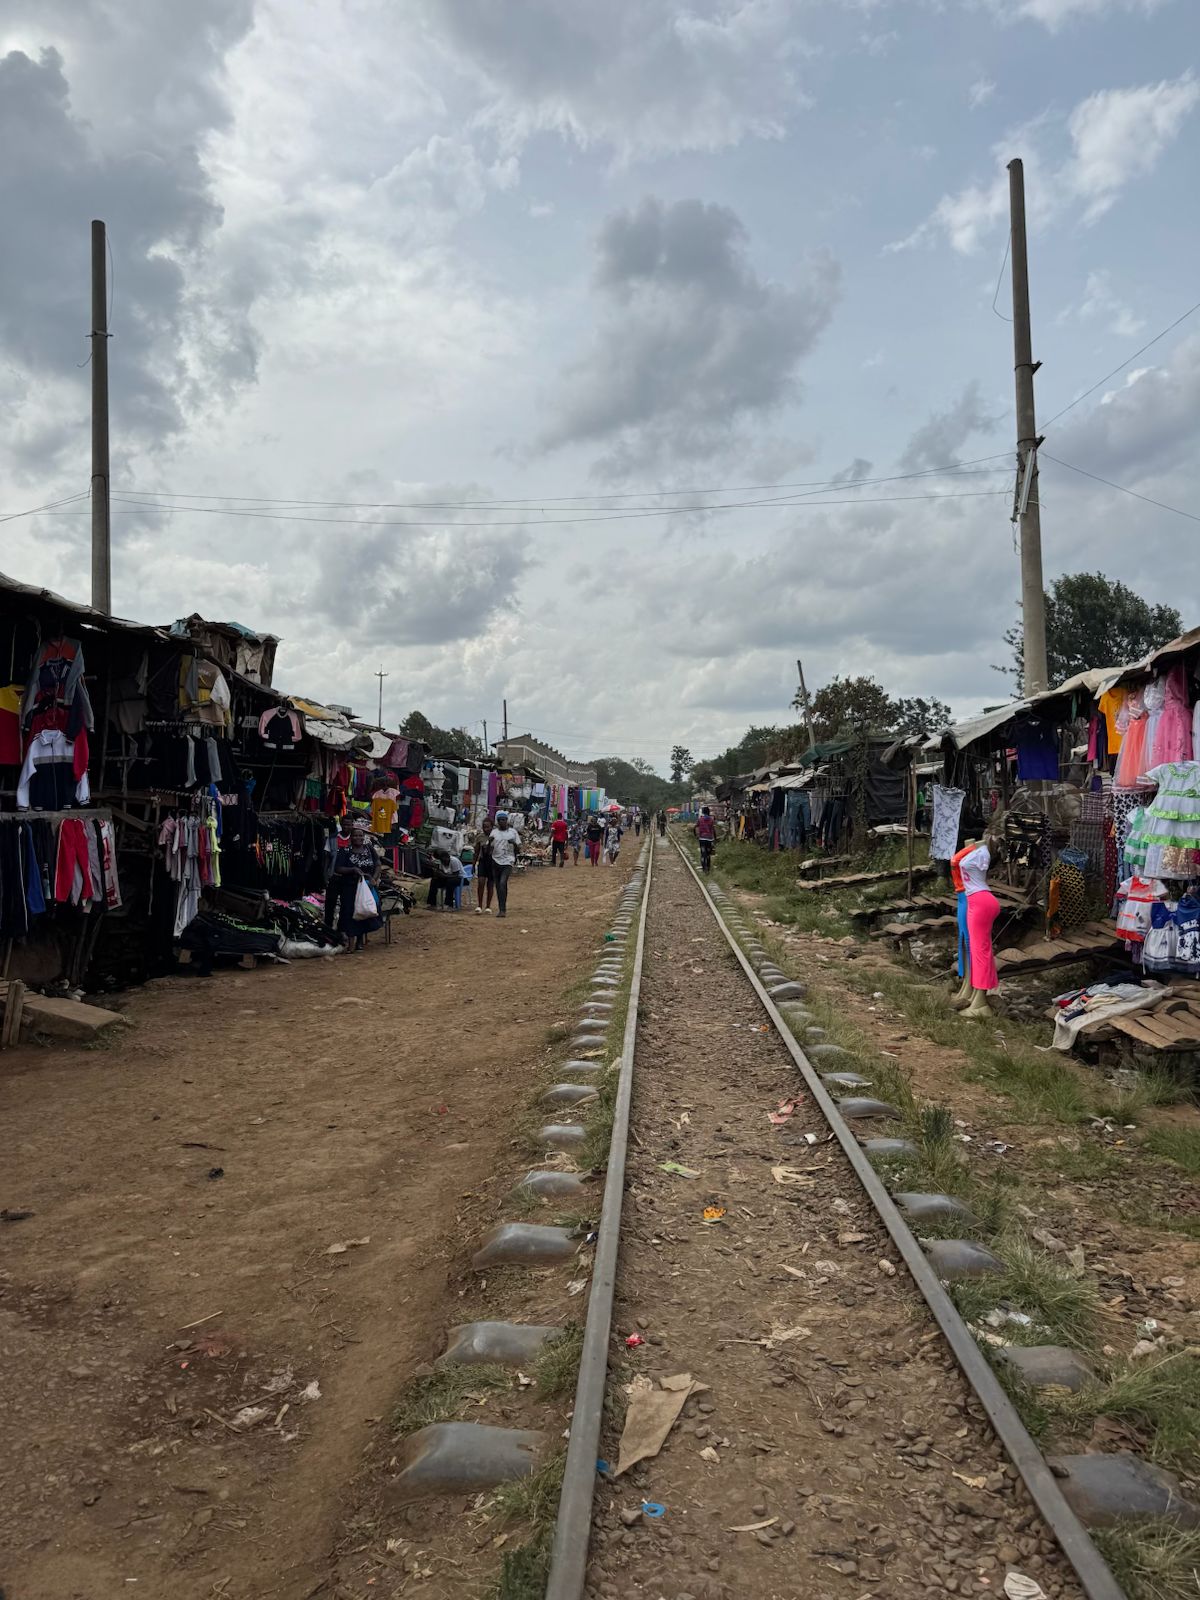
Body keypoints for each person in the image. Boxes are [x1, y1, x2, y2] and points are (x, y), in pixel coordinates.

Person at [326, 818, 383, 950]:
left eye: (360, 836)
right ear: (351, 838)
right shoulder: (345, 851)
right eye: (355, 835)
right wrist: (352, 870)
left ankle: (360, 941)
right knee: (350, 913)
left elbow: (378, 864)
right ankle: (351, 943)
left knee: (364, 912)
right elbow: (338, 868)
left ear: (364, 838)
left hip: (367, 887)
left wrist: (373, 878)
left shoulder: (369, 849)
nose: (358, 838)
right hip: (350, 888)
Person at [489, 810, 522, 918]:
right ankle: (501, 908)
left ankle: (503, 910)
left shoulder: (513, 832)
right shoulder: (494, 833)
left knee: (503, 883)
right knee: (499, 886)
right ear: (497, 821)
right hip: (495, 860)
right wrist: (489, 842)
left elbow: (519, 848)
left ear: (507, 821)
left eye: (504, 820)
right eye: (500, 820)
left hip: (508, 860)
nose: (502, 822)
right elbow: (489, 849)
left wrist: (514, 844)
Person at [474, 816, 496, 914]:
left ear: (492, 827)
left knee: (490, 884)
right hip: (483, 861)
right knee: (481, 882)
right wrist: (473, 864)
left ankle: (488, 906)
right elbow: (476, 852)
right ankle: (479, 905)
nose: (485, 829)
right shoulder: (480, 837)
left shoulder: (496, 836)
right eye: (484, 827)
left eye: (487, 827)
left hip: (493, 862)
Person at [695, 805, 716, 872]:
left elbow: (695, 827)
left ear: (703, 812)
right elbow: (713, 829)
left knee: (703, 853)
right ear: (708, 812)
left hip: (702, 839)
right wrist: (715, 838)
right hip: (709, 839)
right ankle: (708, 868)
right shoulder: (711, 820)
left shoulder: (700, 819)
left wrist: (696, 835)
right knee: (708, 854)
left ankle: (704, 868)